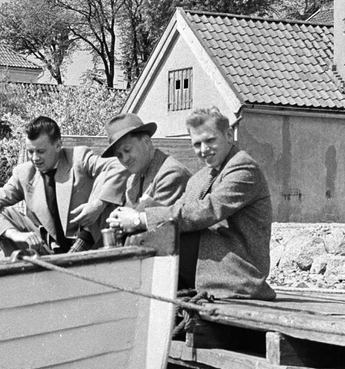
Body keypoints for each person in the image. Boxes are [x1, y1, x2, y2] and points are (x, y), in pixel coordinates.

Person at [109, 105, 274, 299]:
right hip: (204, 270)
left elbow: (207, 210)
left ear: (229, 136)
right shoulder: (201, 176)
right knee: (150, 241)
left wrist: (139, 219)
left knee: (152, 241)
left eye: (210, 140)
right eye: (197, 144)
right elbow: (180, 209)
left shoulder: (243, 168)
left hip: (236, 276)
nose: (204, 150)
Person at [0, 115, 126, 255]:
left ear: (58, 145)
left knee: (106, 183)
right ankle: (26, 268)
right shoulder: (24, 173)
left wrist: (97, 205)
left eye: (41, 151)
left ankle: (77, 252)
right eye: (30, 151)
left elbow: (119, 166)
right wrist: (14, 234)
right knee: (5, 214)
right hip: (47, 250)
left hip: (87, 242)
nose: (35, 158)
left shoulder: (78, 158)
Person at [101, 112, 189, 208]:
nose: (125, 159)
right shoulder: (133, 180)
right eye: (119, 155)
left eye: (127, 150)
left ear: (146, 142)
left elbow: (158, 220)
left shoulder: (171, 175)